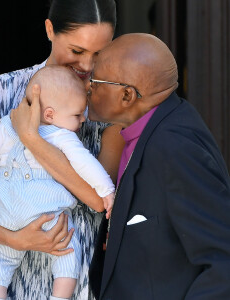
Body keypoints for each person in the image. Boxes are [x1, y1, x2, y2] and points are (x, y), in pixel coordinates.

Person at [0, 1, 125, 299]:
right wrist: (15, 239)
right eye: (77, 51)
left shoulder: (110, 106)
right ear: (50, 30)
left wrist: (32, 138)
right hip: (3, 277)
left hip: (73, 280)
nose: (88, 66)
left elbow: (97, 200)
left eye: (99, 53)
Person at [87, 33, 230, 300]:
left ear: (127, 95)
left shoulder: (175, 148)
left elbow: (223, 262)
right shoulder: (147, 130)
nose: (88, 87)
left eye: (95, 81)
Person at [0, 66, 115, 300]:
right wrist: (107, 189)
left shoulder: (10, 128)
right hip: (46, 213)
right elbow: (87, 166)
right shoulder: (62, 136)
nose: (83, 119)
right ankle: (59, 297)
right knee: (67, 253)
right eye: (77, 115)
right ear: (50, 115)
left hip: (7, 214)